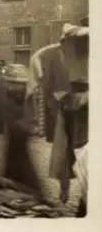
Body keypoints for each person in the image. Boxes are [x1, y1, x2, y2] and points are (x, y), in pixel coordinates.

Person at [25, 24, 89, 204]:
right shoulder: (55, 56)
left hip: (85, 108)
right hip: (69, 108)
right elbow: (37, 60)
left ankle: (84, 199)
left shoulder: (88, 49)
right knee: (64, 151)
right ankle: (66, 190)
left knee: (84, 152)